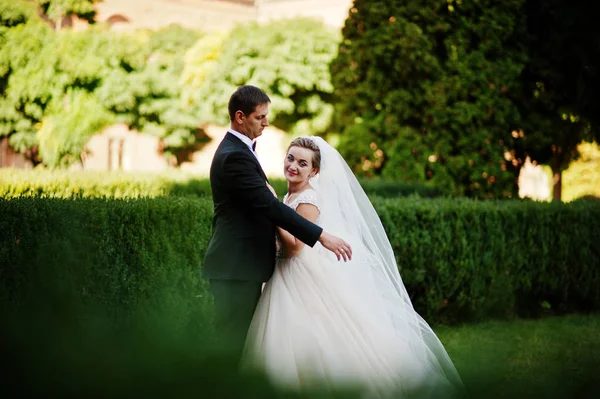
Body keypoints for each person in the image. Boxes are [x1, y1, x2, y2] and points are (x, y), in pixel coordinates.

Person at [243, 137, 466, 398]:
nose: (293, 166)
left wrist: (274, 210)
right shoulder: (291, 193)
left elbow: (294, 248)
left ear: (314, 171)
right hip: (284, 274)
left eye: (303, 163)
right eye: (290, 158)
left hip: (298, 274)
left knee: (311, 336)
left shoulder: (308, 200)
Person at [202, 86, 352, 363]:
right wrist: (321, 236)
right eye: (260, 117)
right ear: (239, 116)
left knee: (239, 341)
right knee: (231, 342)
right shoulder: (234, 155)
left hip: (242, 264)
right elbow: (269, 206)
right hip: (236, 266)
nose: (266, 122)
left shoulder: (239, 149)